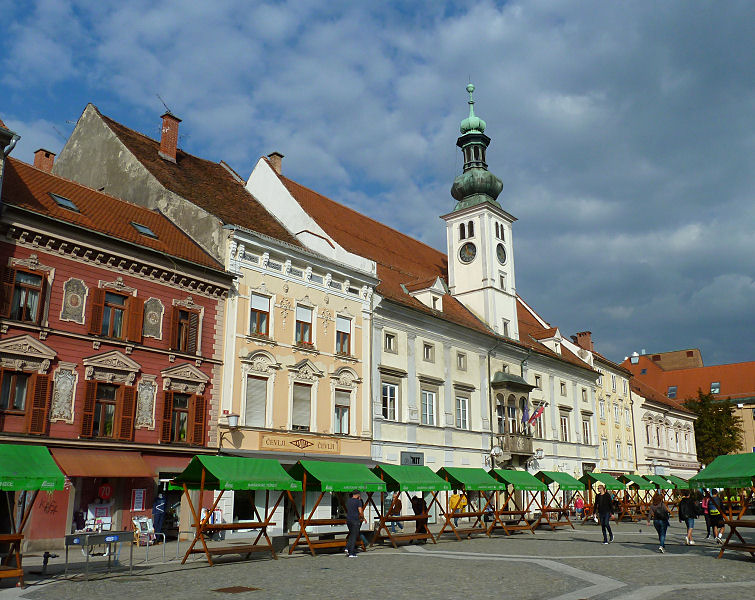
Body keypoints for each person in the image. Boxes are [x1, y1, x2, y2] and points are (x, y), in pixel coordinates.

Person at [345, 490, 365, 558]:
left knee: (351, 534)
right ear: (358, 494)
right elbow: (360, 511)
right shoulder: (358, 501)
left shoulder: (348, 500)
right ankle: (351, 553)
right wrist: (362, 517)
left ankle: (347, 548)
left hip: (348, 520)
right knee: (354, 536)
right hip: (355, 520)